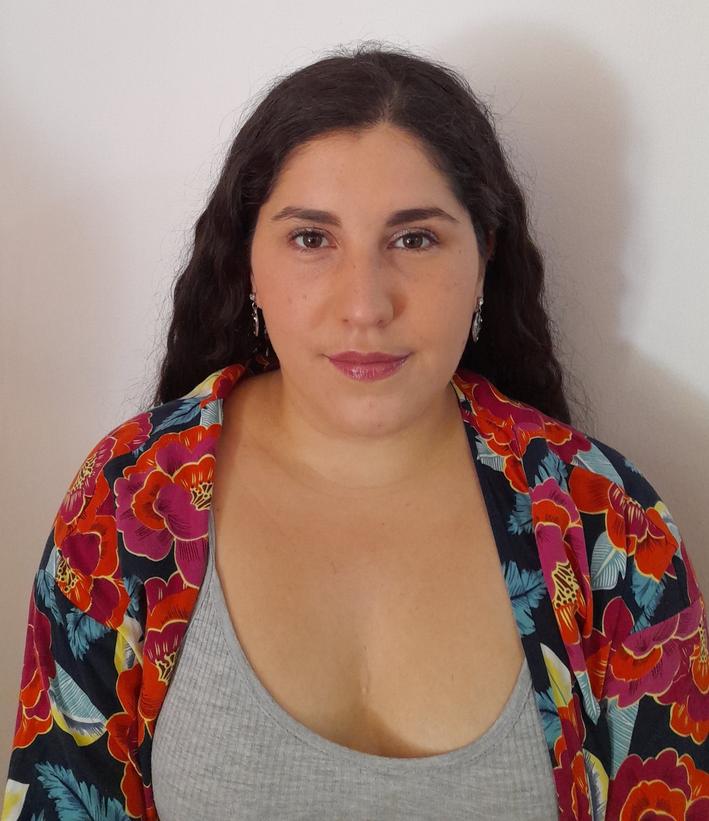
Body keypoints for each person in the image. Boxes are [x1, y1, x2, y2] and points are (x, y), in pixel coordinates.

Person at [2, 42, 707, 821]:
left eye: (414, 238)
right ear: (247, 261)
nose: (365, 305)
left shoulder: (609, 522)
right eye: (311, 238)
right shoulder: (127, 498)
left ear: (484, 253)